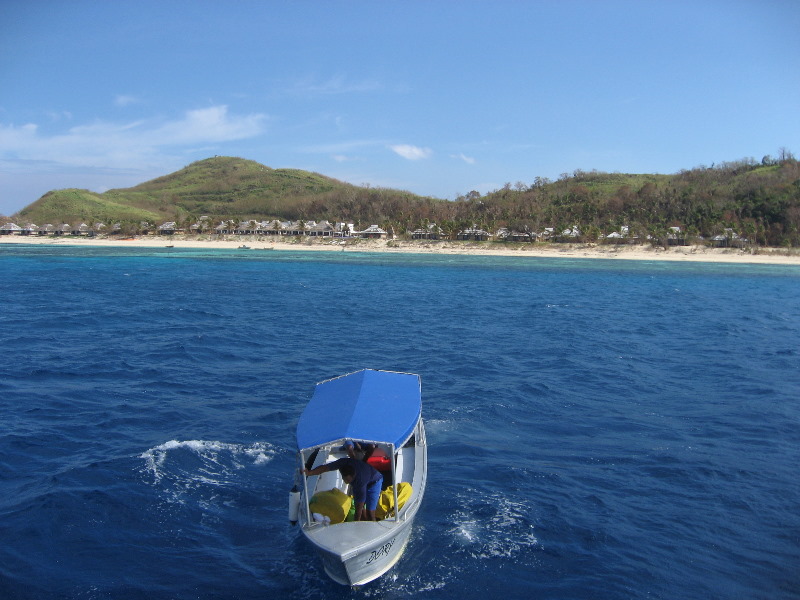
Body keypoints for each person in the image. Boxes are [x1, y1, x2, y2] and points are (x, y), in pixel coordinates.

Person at [303, 457, 383, 521]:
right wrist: (310, 473)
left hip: (374, 481)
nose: (347, 482)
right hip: (363, 476)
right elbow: (324, 468)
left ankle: (372, 526)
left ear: (354, 475)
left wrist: (355, 523)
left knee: (370, 512)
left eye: (349, 480)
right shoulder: (341, 463)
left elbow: (359, 506)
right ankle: (364, 520)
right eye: (346, 480)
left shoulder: (360, 482)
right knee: (360, 507)